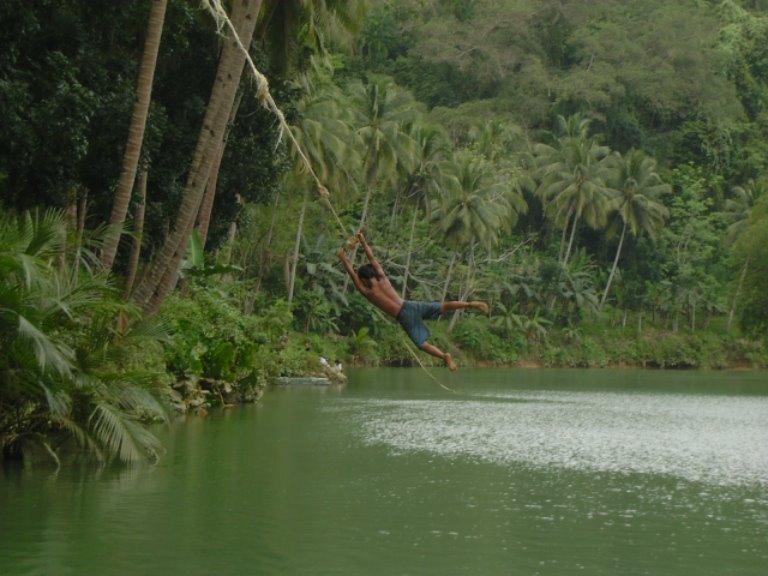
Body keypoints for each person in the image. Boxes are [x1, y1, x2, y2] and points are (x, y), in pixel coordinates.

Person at [337, 230, 488, 372]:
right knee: (444, 307)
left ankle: (444, 356)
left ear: (363, 279)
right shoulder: (382, 278)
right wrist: (363, 241)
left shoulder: (368, 292)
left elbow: (352, 274)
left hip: (404, 316)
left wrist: (344, 259)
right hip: (410, 305)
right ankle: (470, 304)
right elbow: (372, 258)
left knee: (422, 344)